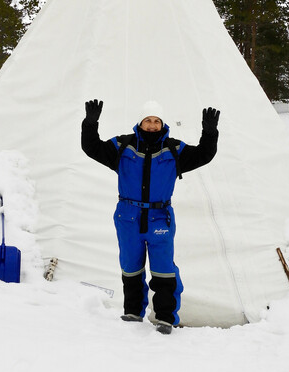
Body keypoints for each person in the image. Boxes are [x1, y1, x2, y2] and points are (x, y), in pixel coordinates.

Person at [81, 99, 220, 334]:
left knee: (163, 268)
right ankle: (133, 312)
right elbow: (92, 147)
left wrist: (209, 132)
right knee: (131, 266)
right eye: (148, 120)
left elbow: (204, 155)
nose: (153, 125)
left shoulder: (175, 150)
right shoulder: (122, 146)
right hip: (128, 216)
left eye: (157, 121)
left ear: (162, 124)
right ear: (140, 122)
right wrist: (90, 123)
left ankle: (165, 317)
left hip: (159, 217)